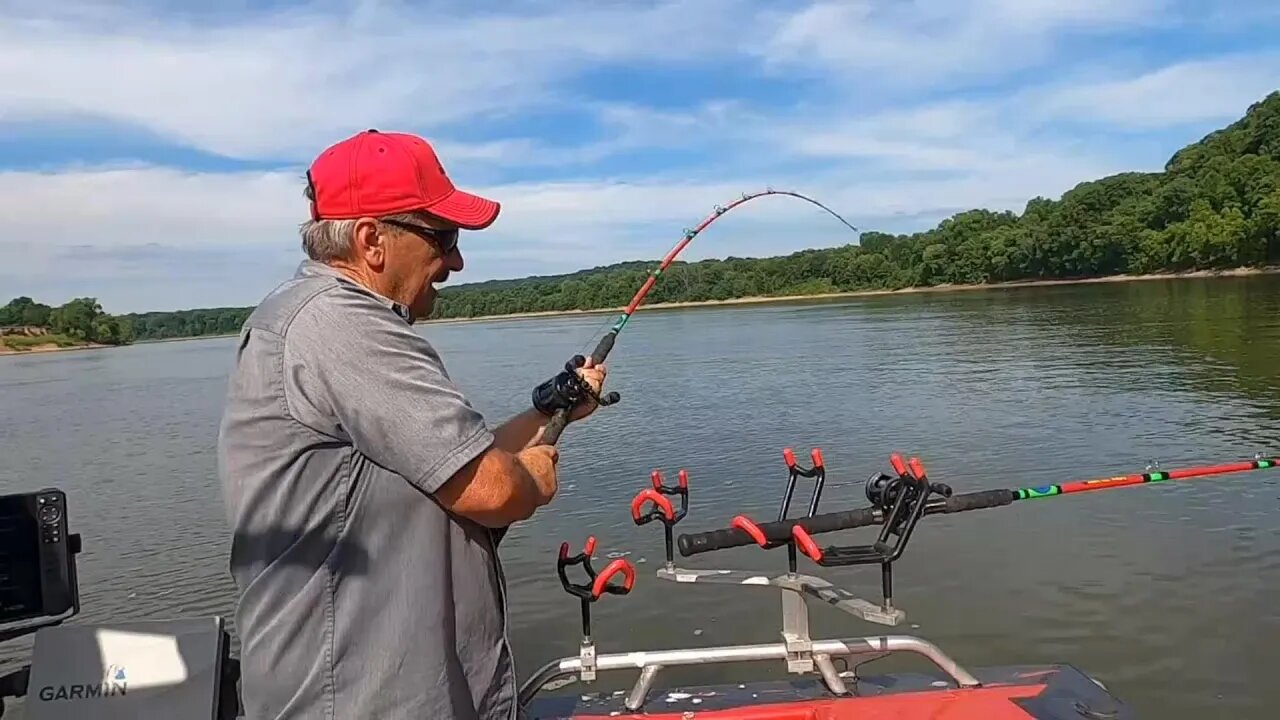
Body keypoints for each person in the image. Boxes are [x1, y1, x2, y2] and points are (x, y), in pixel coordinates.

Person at [216, 128, 608, 720]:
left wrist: (555, 409)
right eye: (442, 236)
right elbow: (492, 488)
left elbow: (460, 462)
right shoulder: (343, 325)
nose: (455, 260)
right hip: (353, 701)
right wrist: (534, 480)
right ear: (373, 240)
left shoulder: (320, 319)